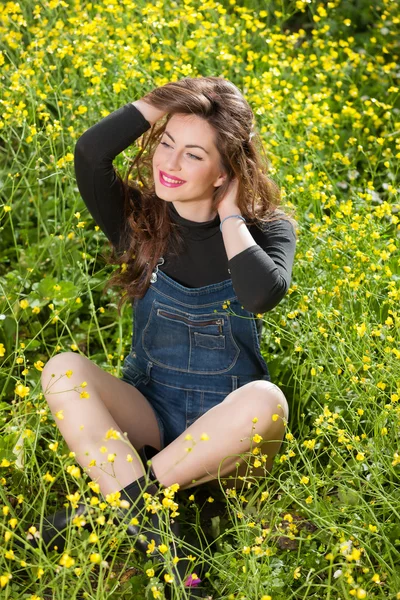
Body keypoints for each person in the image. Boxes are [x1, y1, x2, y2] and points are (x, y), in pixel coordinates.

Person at [26, 76, 298, 594]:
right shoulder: (138, 221)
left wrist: (231, 215)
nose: (168, 165)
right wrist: (169, 101)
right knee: (62, 370)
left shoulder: (269, 230)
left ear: (226, 172)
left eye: (193, 155)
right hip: (150, 418)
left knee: (267, 399)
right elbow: (89, 154)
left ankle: (109, 510)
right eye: (166, 143)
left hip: (229, 444)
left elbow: (262, 294)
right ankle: (170, 555)